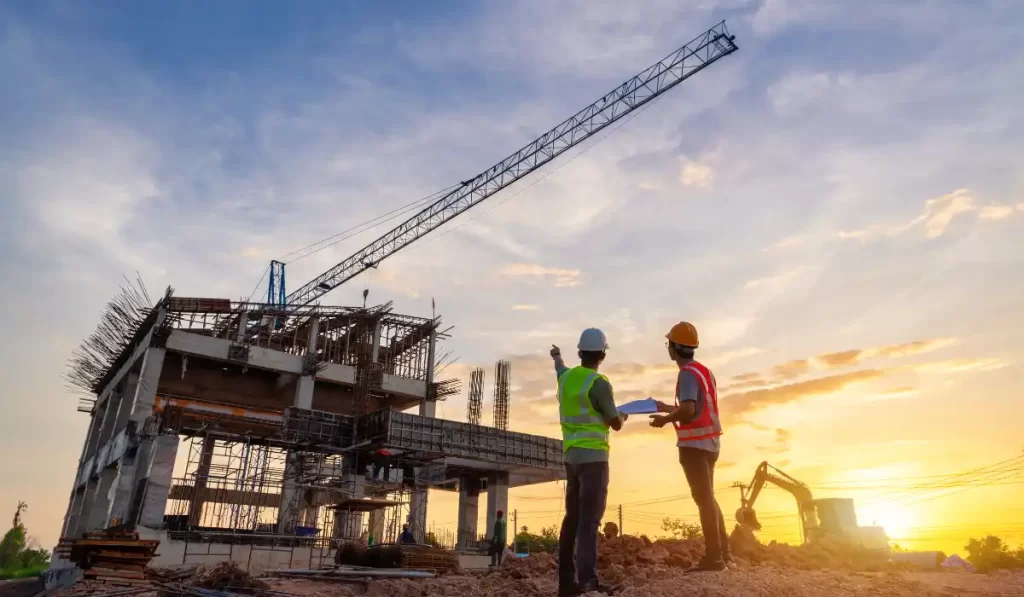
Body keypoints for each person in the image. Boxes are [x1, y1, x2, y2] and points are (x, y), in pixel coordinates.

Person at [648, 321, 731, 572]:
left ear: (674, 347)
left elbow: (688, 410)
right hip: (711, 443)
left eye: (668, 344)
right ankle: (724, 554)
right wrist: (666, 407)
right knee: (709, 499)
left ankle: (714, 558)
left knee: (703, 500)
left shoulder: (685, 373)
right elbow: (697, 409)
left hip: (694, 446)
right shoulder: (705, 372)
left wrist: (665, 419)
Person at [552, 328, 627, 596]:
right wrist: (622, 416)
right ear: (603, 355)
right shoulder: (599, 384)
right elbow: (613, 422)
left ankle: (566, 583)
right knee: (589, 522)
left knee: (572, 519)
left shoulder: (567, 378)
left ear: (580, 352)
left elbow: (560, 369)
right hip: (594, 459)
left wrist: (557, 356)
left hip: (571, 458)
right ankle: (587, 582)